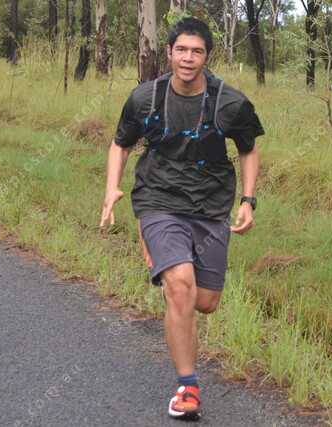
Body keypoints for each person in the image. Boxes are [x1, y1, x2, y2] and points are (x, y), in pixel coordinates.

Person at [99, 17, 264, 420]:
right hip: (157, 200)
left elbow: (248, 149)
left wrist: (248, 200)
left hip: (210, 207)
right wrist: (112, 188)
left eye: (197, 51)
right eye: (181, 50)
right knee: (181, 287)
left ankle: (174, 282)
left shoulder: (230, 102)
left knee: (204, 302)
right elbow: (120, 144)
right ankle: (187, 388)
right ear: (169, 52)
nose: (188, 58)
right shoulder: (145, 98)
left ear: (208, 56)